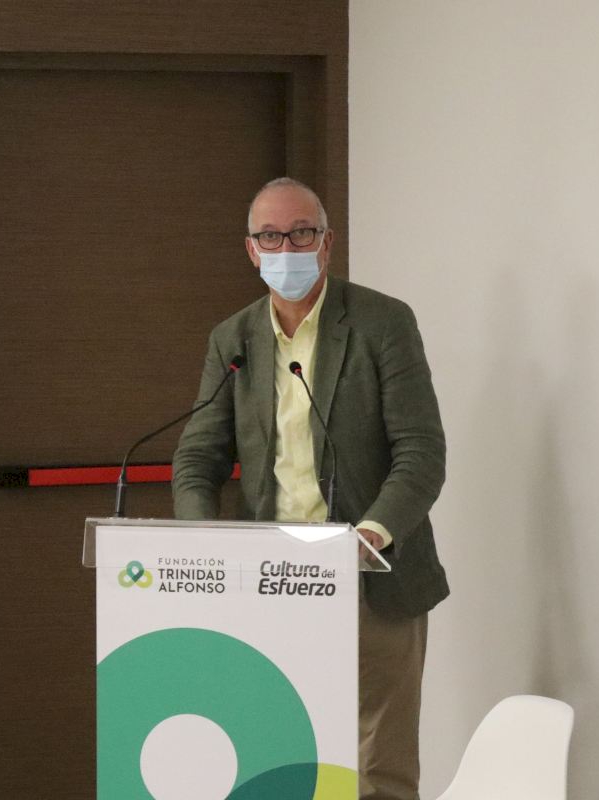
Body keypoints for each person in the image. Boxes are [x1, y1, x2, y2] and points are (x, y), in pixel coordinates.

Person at [172, 177, 449, 799]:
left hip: (372, 573)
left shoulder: (382, 323)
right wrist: (201, 539)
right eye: (271, 236)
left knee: (378, 771)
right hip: (272, 578)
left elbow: (421, 452)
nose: (287, 248)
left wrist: (372, 534)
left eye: (301, 233)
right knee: (280, 760)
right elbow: (197, 456)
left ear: (327, 242)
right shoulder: (232, 339)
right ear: (251, 250)